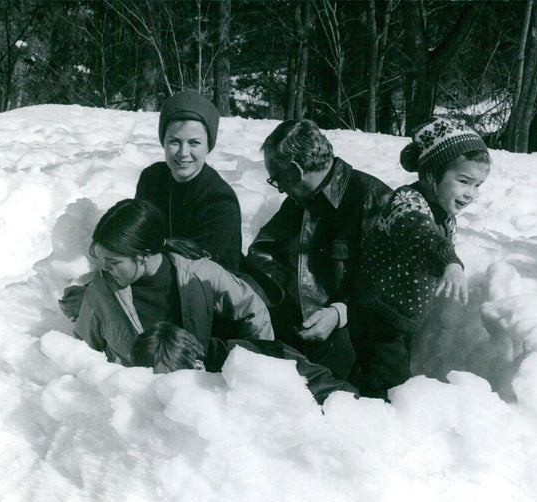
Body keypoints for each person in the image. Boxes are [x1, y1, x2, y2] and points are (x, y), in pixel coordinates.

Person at [350, 117, 492, 398]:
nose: (471, 194)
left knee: (395, 374)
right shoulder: (406, 203)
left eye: (477, 185)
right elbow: (420, 235)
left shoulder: (443, 211)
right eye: (464, 181)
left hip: (402, 317)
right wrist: (449, 262)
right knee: (389, 387)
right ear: (430, 175)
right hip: (376, 316)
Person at [243, 119, 392, 381]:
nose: (280, 189)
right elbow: (264, 256)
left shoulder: (373, 199)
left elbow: (388, 285)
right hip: (305, 333)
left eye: (277, 180)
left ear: (294, 172)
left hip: (356, 341)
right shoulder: (300, 199)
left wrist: (338, 313)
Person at [73, 199, 272, 365]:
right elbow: (83, 354)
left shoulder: (199, 275)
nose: (105, 268)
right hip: (135, 398)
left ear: (143, 256)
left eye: (114, 262)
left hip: (195, 391)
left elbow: (254, 312)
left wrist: (254, 370)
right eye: (102, 260)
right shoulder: (101, 290)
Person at [134, 89, 242, 272]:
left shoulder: (220, 200)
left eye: (194, 143)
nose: (183, 153)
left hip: (208, 287)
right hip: (156, 273)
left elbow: (196, 269)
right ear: (163, 142)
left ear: (208, 145)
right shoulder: (151, 179)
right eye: (174, 141)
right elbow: (135, 234)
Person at [131, 322, 358, 405]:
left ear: (197, 367)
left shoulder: (248, 361)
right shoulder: (195, 365)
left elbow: (326, 389)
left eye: (167, 381)